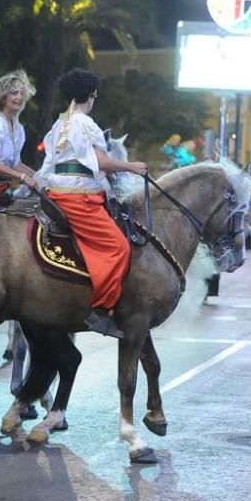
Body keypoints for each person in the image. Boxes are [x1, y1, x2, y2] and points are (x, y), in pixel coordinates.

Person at [36, 68, 147, 338]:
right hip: (78, 197)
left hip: (56, 192)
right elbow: (102, 162)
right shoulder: (86, 124)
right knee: (119, 247)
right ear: (91, 95)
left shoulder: (59, 123)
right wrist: (131, 166)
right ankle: (100, 309)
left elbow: (50, 165)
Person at [0, 69, 38, 204]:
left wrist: (39, 177)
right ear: (3, 97)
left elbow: (15, 163)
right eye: (14, 93)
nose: (19, 97)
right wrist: (22, 177)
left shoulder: (18, 128)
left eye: (22, 93)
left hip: (5, 190)